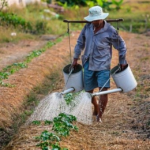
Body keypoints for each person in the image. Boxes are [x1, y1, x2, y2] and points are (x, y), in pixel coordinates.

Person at [72, 6, 128, 122]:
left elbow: (121, 46)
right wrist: (75, 58)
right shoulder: (87, 27)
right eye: (92, 20)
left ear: (102, 18)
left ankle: (99, 116)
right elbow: (79, 43)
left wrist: (122, 60)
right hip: (88, 63)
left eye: (96, 20)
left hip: (103, 65)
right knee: (88, 91)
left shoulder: (110, 30)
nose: (94, 22)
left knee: (103, 90)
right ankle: (96, 106)